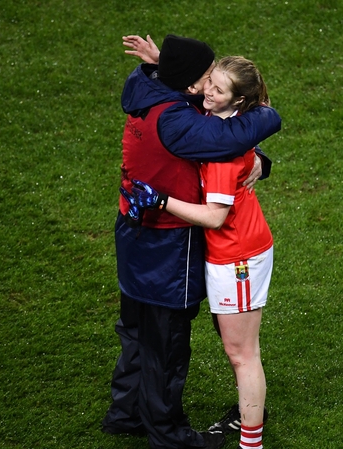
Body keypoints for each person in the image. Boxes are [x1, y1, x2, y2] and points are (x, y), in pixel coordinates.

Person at [102, 35, 281, 449]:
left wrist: (165, 64)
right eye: (203, 79)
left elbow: (219, 140)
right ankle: (169, 435)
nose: (206, 88)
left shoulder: (144, 84)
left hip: (132, 233)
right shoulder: (178, 120)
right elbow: (223, 141)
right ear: (185, 85)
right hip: (168, 244)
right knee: (166, 342)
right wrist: (267, 114)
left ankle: (125, 413)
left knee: (135, 329)